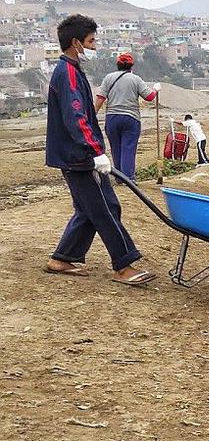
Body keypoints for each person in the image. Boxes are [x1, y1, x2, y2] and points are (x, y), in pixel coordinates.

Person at [43, 14, 156, 285]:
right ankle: (124, 264)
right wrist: (95, 151)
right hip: (78, 156)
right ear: (75, 43)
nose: (94, 46)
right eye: (91, 41)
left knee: (90, 210)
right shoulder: (67, 74)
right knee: (105, 209)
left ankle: (62, 257)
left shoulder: (71, 70)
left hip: (77, 155)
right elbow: (76, 118)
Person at [94, 53, 159, 180]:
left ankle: (119, 177)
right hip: (131, 118)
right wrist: (156, 90)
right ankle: (128, 178)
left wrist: (92, 115)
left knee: (116, 148)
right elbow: (149, 97)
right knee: (128, 148)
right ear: (131, 66)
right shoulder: (135, 79)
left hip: (112, 118)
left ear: (118, 65)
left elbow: (100, 98)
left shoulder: (109, 78)